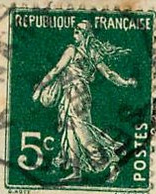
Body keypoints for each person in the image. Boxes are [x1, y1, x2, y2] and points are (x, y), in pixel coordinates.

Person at [32, 20, 137, 183]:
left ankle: (112, 161)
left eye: (79, 29)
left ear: (86, 34)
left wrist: (39, 88)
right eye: (75, 28)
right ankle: (76, 171)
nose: (75, 31)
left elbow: (56, 70)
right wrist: (125, 82)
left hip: (75, 93)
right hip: (76, 92)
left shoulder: (72, 51)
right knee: (71, 130)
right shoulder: (92, 53)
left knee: (82, 132)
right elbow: (108, 74)